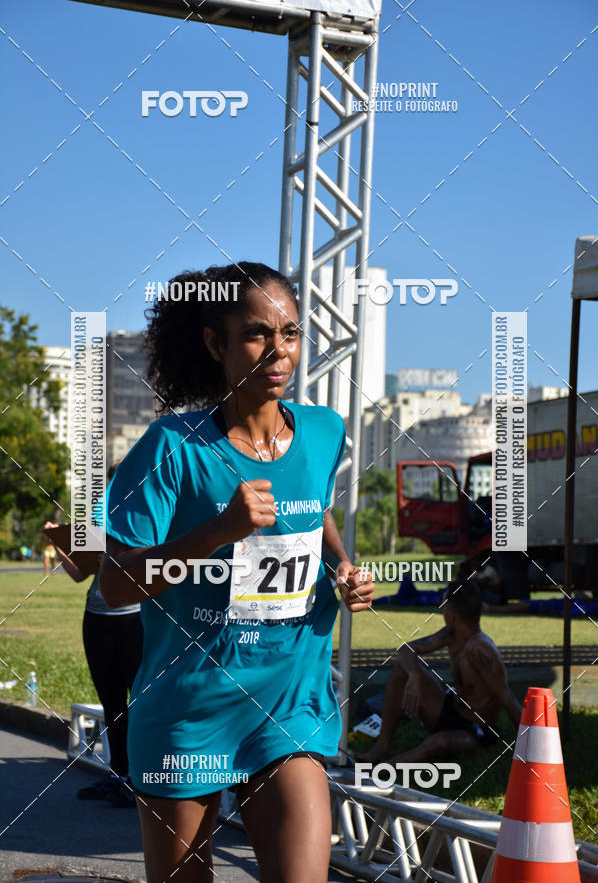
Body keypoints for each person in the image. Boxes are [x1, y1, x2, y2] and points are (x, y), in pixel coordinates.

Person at [98, 262, 375, 883]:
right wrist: (215, 533)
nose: (279, 352)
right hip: (189, 708)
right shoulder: (173, 448)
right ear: (215, 342)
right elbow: (113, 584)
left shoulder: (325, 432)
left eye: (292, 333)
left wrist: (342, 566)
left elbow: (314, 507)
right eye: (257, 333)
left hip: (287, 702)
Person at [43, 461, 143, 808]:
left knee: (139, 700)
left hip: (133, 620)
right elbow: (78, 575)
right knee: (111, 701)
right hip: (96, 619)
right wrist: (57, 541)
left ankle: (141, 782)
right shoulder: (97, 522)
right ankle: (118, 776)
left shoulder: (143, 518)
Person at [361, 580, 521, 766]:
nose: (442, 613)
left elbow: (507, 698)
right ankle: (381, 747)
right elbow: (406, 650)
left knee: (438, 743)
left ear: (452, 615)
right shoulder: (452, 634)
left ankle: (382, 768)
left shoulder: (481, 651)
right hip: (448, 710)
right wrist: (414, 676)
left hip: (474, 729)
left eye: (444, 609)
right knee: (402, 669)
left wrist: (530, 745)